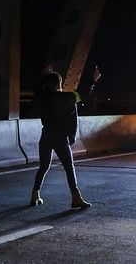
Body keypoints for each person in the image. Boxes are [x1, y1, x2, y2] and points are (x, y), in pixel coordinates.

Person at [30, 68, 101, 208]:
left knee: (43, 167)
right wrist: (92, 80)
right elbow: (83, 94)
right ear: (58, 85)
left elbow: (38, 92)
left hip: (45, 136)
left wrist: (44, 78)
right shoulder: (66, 98)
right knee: (69, 168)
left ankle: (34, 195)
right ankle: (76, 197)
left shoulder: (42, 97)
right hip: (59, 137)